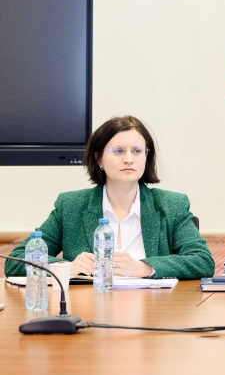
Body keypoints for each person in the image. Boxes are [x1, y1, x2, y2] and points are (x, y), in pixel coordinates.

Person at [4, 115, 214, 279]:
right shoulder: (71, 206)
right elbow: (16, 261)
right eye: (119, 151)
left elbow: (202, 261)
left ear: (146, 156)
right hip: (89, 310)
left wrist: (143, 268)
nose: (129, 159)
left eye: (137, 151)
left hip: (153, 309)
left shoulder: (172, 205)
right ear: (99, 159)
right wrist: (66, 267)